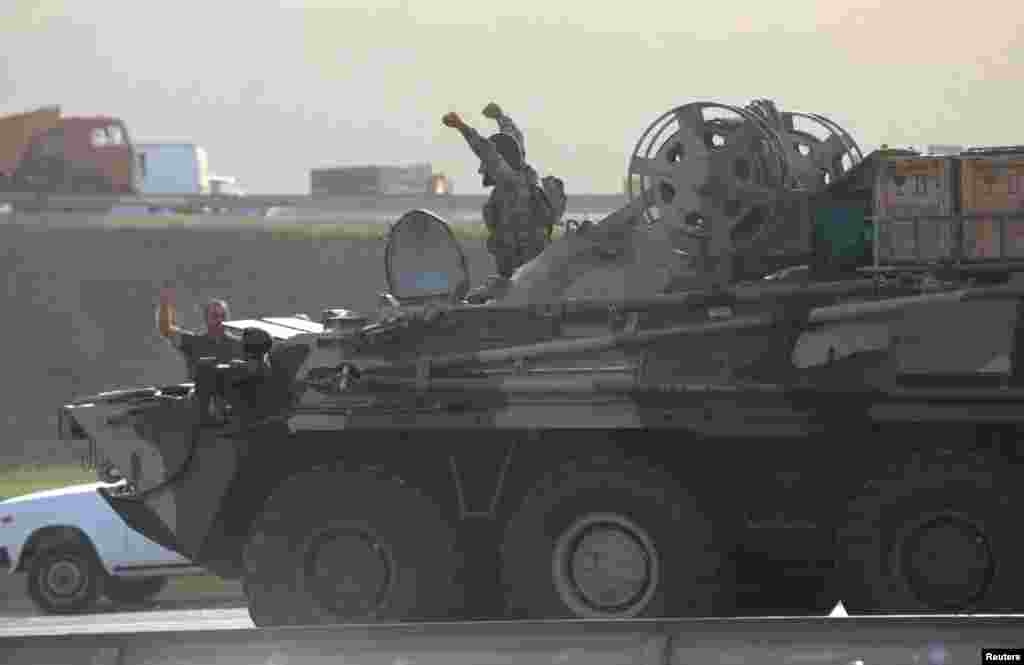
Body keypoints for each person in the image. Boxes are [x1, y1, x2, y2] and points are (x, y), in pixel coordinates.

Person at [443, 102, 565, 301]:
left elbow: (487, 151)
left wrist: (461, 127)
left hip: (522, 274)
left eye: (486, 165)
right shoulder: (522, 175)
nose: (483, 170)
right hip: (531, 269)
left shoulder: (511, 183)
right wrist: (500, 117)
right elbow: (513, 138)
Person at [157, 288, 243, 381]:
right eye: (215, 316)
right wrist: (165, 304)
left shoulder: (240, 345)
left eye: (223, 316)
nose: (220, 320)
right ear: (206, 318)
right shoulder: (194, 343)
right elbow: (166, 329)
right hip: (201, 393)